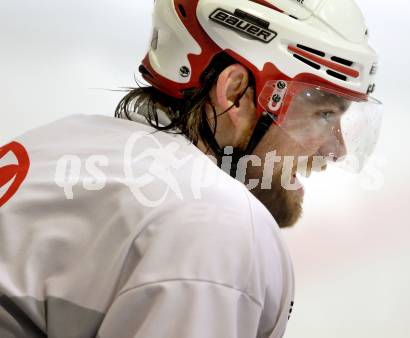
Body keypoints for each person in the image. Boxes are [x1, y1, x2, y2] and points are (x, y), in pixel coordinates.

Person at [0, 0, 381, 337]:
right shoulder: (216, 223)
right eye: (323, 113)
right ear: (235, 93)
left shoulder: (53, 141)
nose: (337, 148)